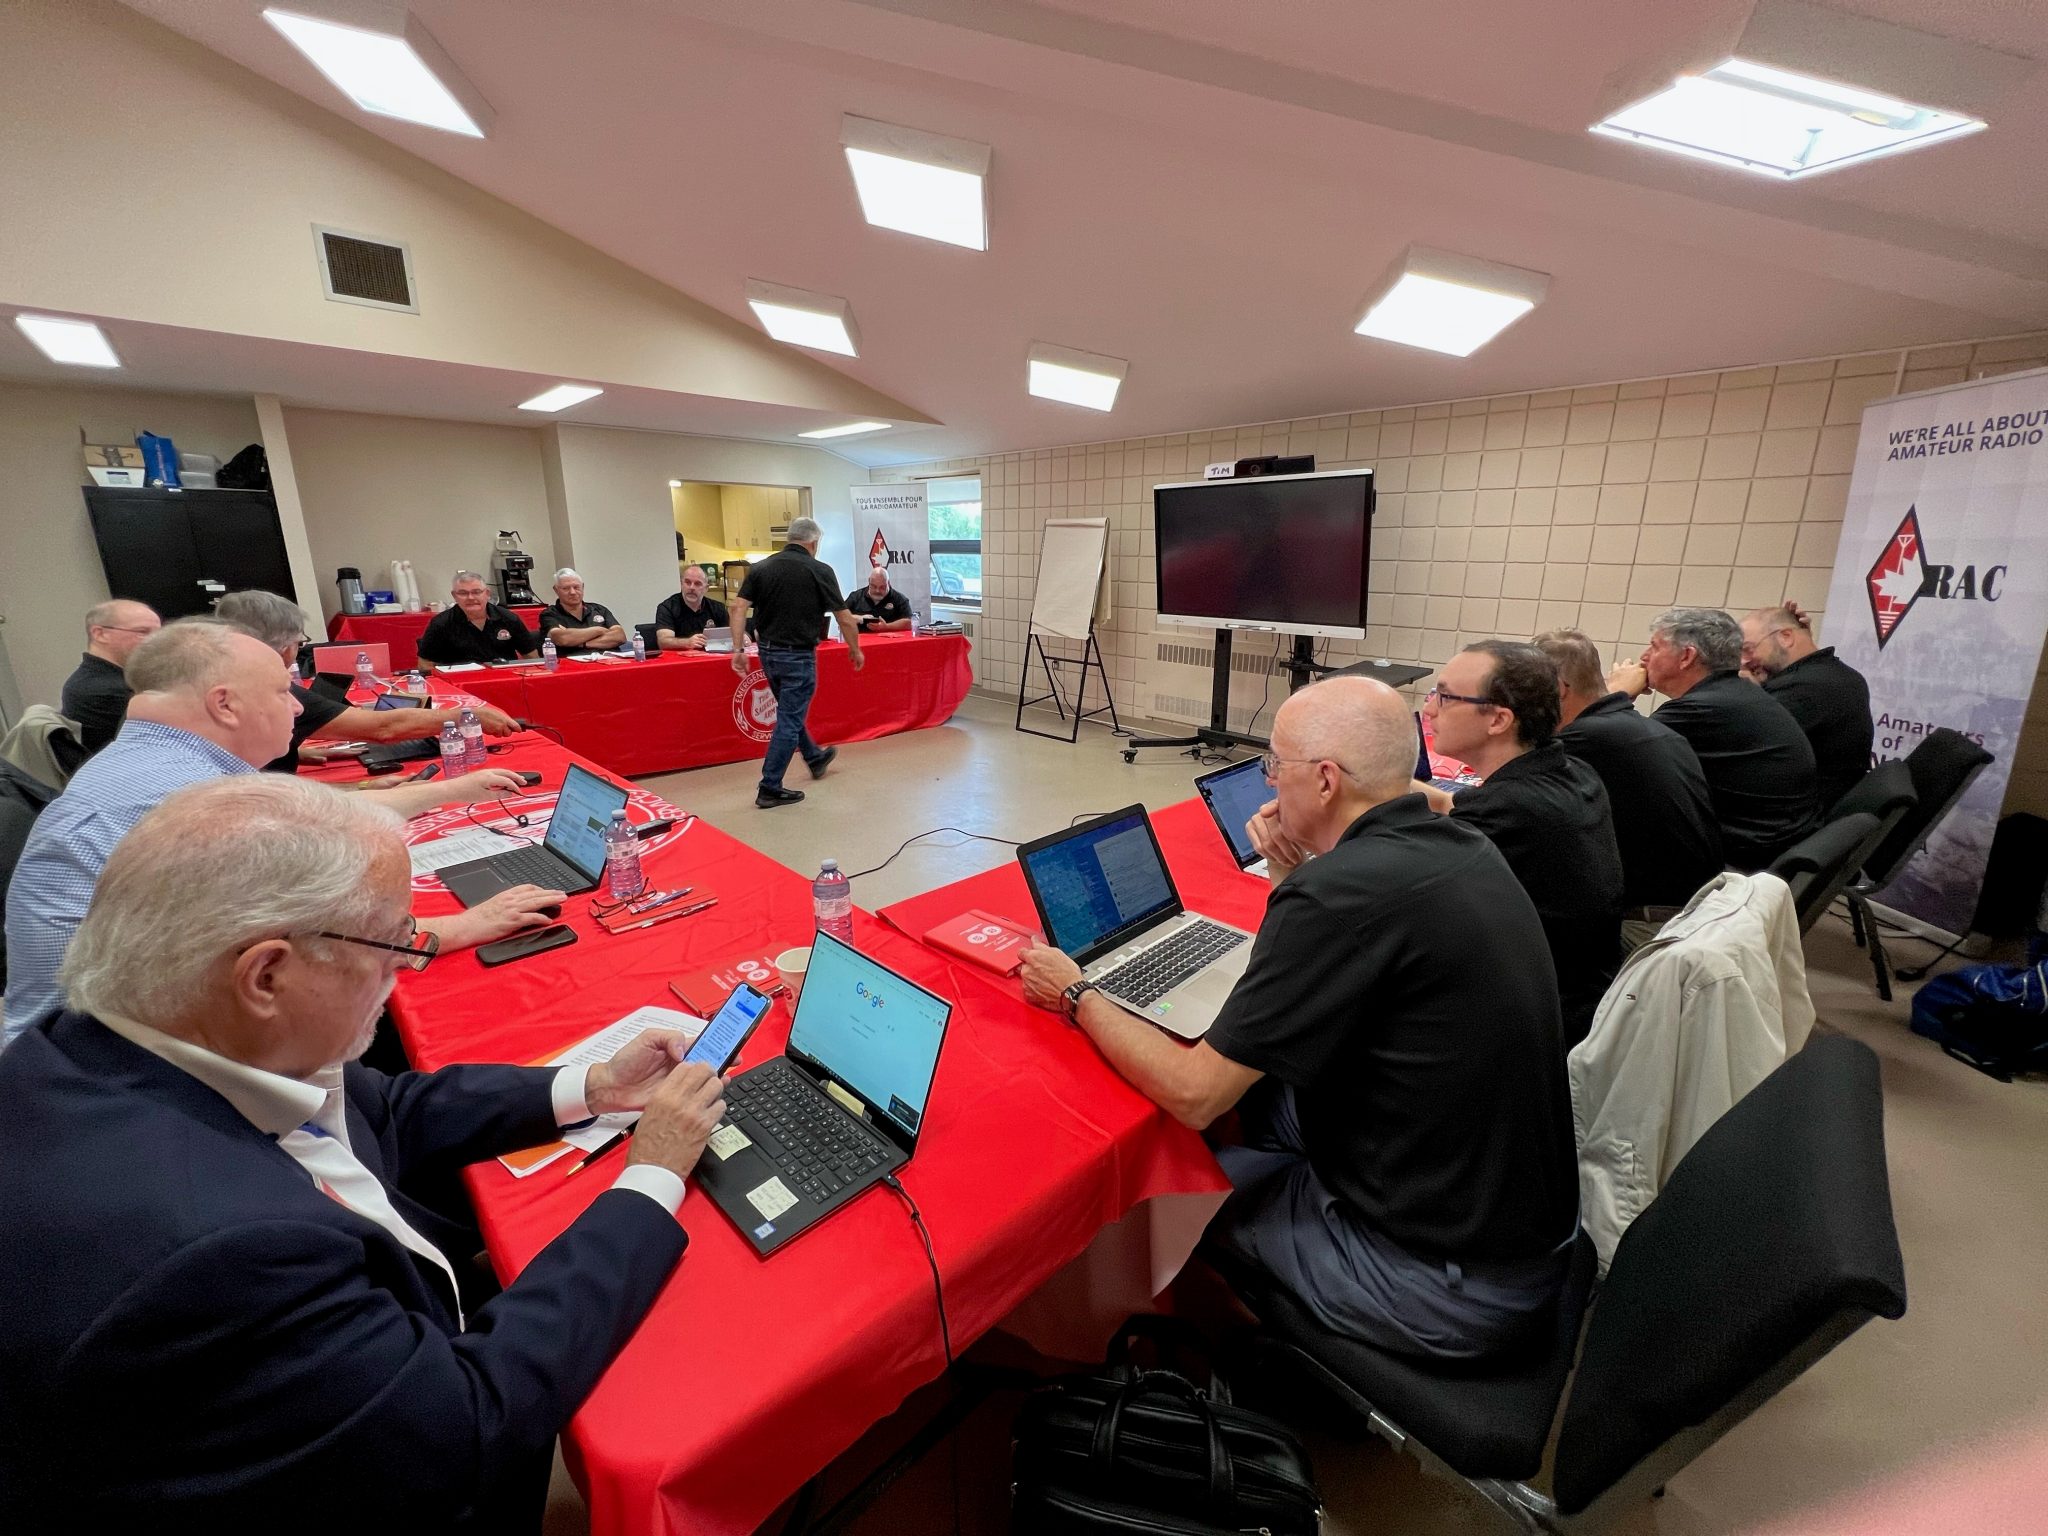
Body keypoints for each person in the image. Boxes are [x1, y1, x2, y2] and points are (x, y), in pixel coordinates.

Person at [0, 774, 728, 1531]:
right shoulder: (226, 1256)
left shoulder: (112, 1039)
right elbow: (472, 1422)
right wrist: (648, 1179)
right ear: (267, 975)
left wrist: (599, 1086)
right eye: (393, 942)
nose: (407, 966)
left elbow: (388, 1109)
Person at [1019, 677, 1579, 1361]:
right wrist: (1297, 875)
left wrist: (1078, 994)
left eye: (1272, 768)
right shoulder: (1455, 845)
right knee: (1260, 1106)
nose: (1266, 786)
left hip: (1442, 1284)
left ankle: (1196, 1368)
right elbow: (1343, 956)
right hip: (1510, 1224)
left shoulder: (1338, 895)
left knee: (1164, 1197)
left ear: (1323, 781)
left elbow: (1197, 1095)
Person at [4, 623, 551, 1046]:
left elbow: (312, 814)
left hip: (104, 1036)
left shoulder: (156, 760)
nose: (296, 706)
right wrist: (466, 926)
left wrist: (447, 792)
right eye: (283, 690)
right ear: (225, 703)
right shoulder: (183, 800)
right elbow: (318, 934)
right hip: (116, 1059)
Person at [1419, 641, 1624, 1049]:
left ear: (1498, 719)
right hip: (1587, 997)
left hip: (1533, 1031)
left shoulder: (1506, 812)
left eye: (1443, 697)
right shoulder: (1573, 773)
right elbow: (1456, 804)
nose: (1428, 711)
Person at [1536, 628, 1723, 949]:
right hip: (1702, 916)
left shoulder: (1583, 742)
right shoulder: (1641, 728)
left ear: (1557, 690)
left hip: (1651, 933)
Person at [1609, 607, 1820, 872]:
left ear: (1686, 656)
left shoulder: (1699, 710)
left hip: (1740, 863)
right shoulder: (1738, 693)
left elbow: (1607, 750)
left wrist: (1616, 693)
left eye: (1654, 646)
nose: (1644, 657)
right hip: (1773, 845)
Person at [213, 590, 517, 771]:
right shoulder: (272, 690)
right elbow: (384, 727)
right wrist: (467, 716)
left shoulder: (213, 674)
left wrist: (294, 750)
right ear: (282, 645)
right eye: (299, 642)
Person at [728, 517, 865, 809]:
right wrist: (855, 649)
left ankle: (814, 757)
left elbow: (738, 607)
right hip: (798, 657)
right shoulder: (820, 570)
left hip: (768, 653)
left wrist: (738, 648)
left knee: (790, 711)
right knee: (789, 719)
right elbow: (844, 617)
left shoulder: (762, 568)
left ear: (789, 538)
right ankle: (770, 786)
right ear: (813, 543)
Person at [1740, 603, 1874, 813]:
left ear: (1786, 637)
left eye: (1748, 649)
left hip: (1791, 820)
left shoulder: (1803, 689)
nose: (1743, 661)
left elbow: (1738, 742)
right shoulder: (1838, 674)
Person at [58, 599, 161, 755]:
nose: (156, 641)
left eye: (159, 633)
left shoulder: (100, 680)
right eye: (142, 632)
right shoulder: (105, 691)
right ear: (100, 634)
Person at [416, 571, 538, 670]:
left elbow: (531, 656)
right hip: (461, 685)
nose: (470, 598)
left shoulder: (509, 618)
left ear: (487, 594)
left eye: (476, 592)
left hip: (505, 679)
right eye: (463, 593)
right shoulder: (441, 624)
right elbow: (424, 664)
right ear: (454, 596)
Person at [537, 567, 626, 656]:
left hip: (610, 662)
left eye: (576, 587)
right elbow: (562, 638)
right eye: (566, 588)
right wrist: (599, 630)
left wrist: (581, 643)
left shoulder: (599, 609)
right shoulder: (549, 614)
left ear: (583, 587)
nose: (572, 592)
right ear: (556, 590)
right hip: (572, 666)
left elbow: (620, 636)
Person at [654, 564, 729, 650]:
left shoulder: (718, 608)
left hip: (711, 658)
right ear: (681, 584)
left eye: (697, 584)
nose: (692, 587)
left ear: (706, 588)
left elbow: (730, 636)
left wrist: (743, 637)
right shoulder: (667, 608)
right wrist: (687, 642)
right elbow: (663, 642)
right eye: (687, 582)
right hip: (680, 660)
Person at [847, 564, 914, 631]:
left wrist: (887, 627)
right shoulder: (856, 597)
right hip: (859, 639)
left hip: (889, 640)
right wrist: (860, 618)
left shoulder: (899, 599)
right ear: (869, 581)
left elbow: (909, 622)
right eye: (874, 586)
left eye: (882, 587)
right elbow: (841, 616)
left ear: (888, 583)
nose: (877, 591)